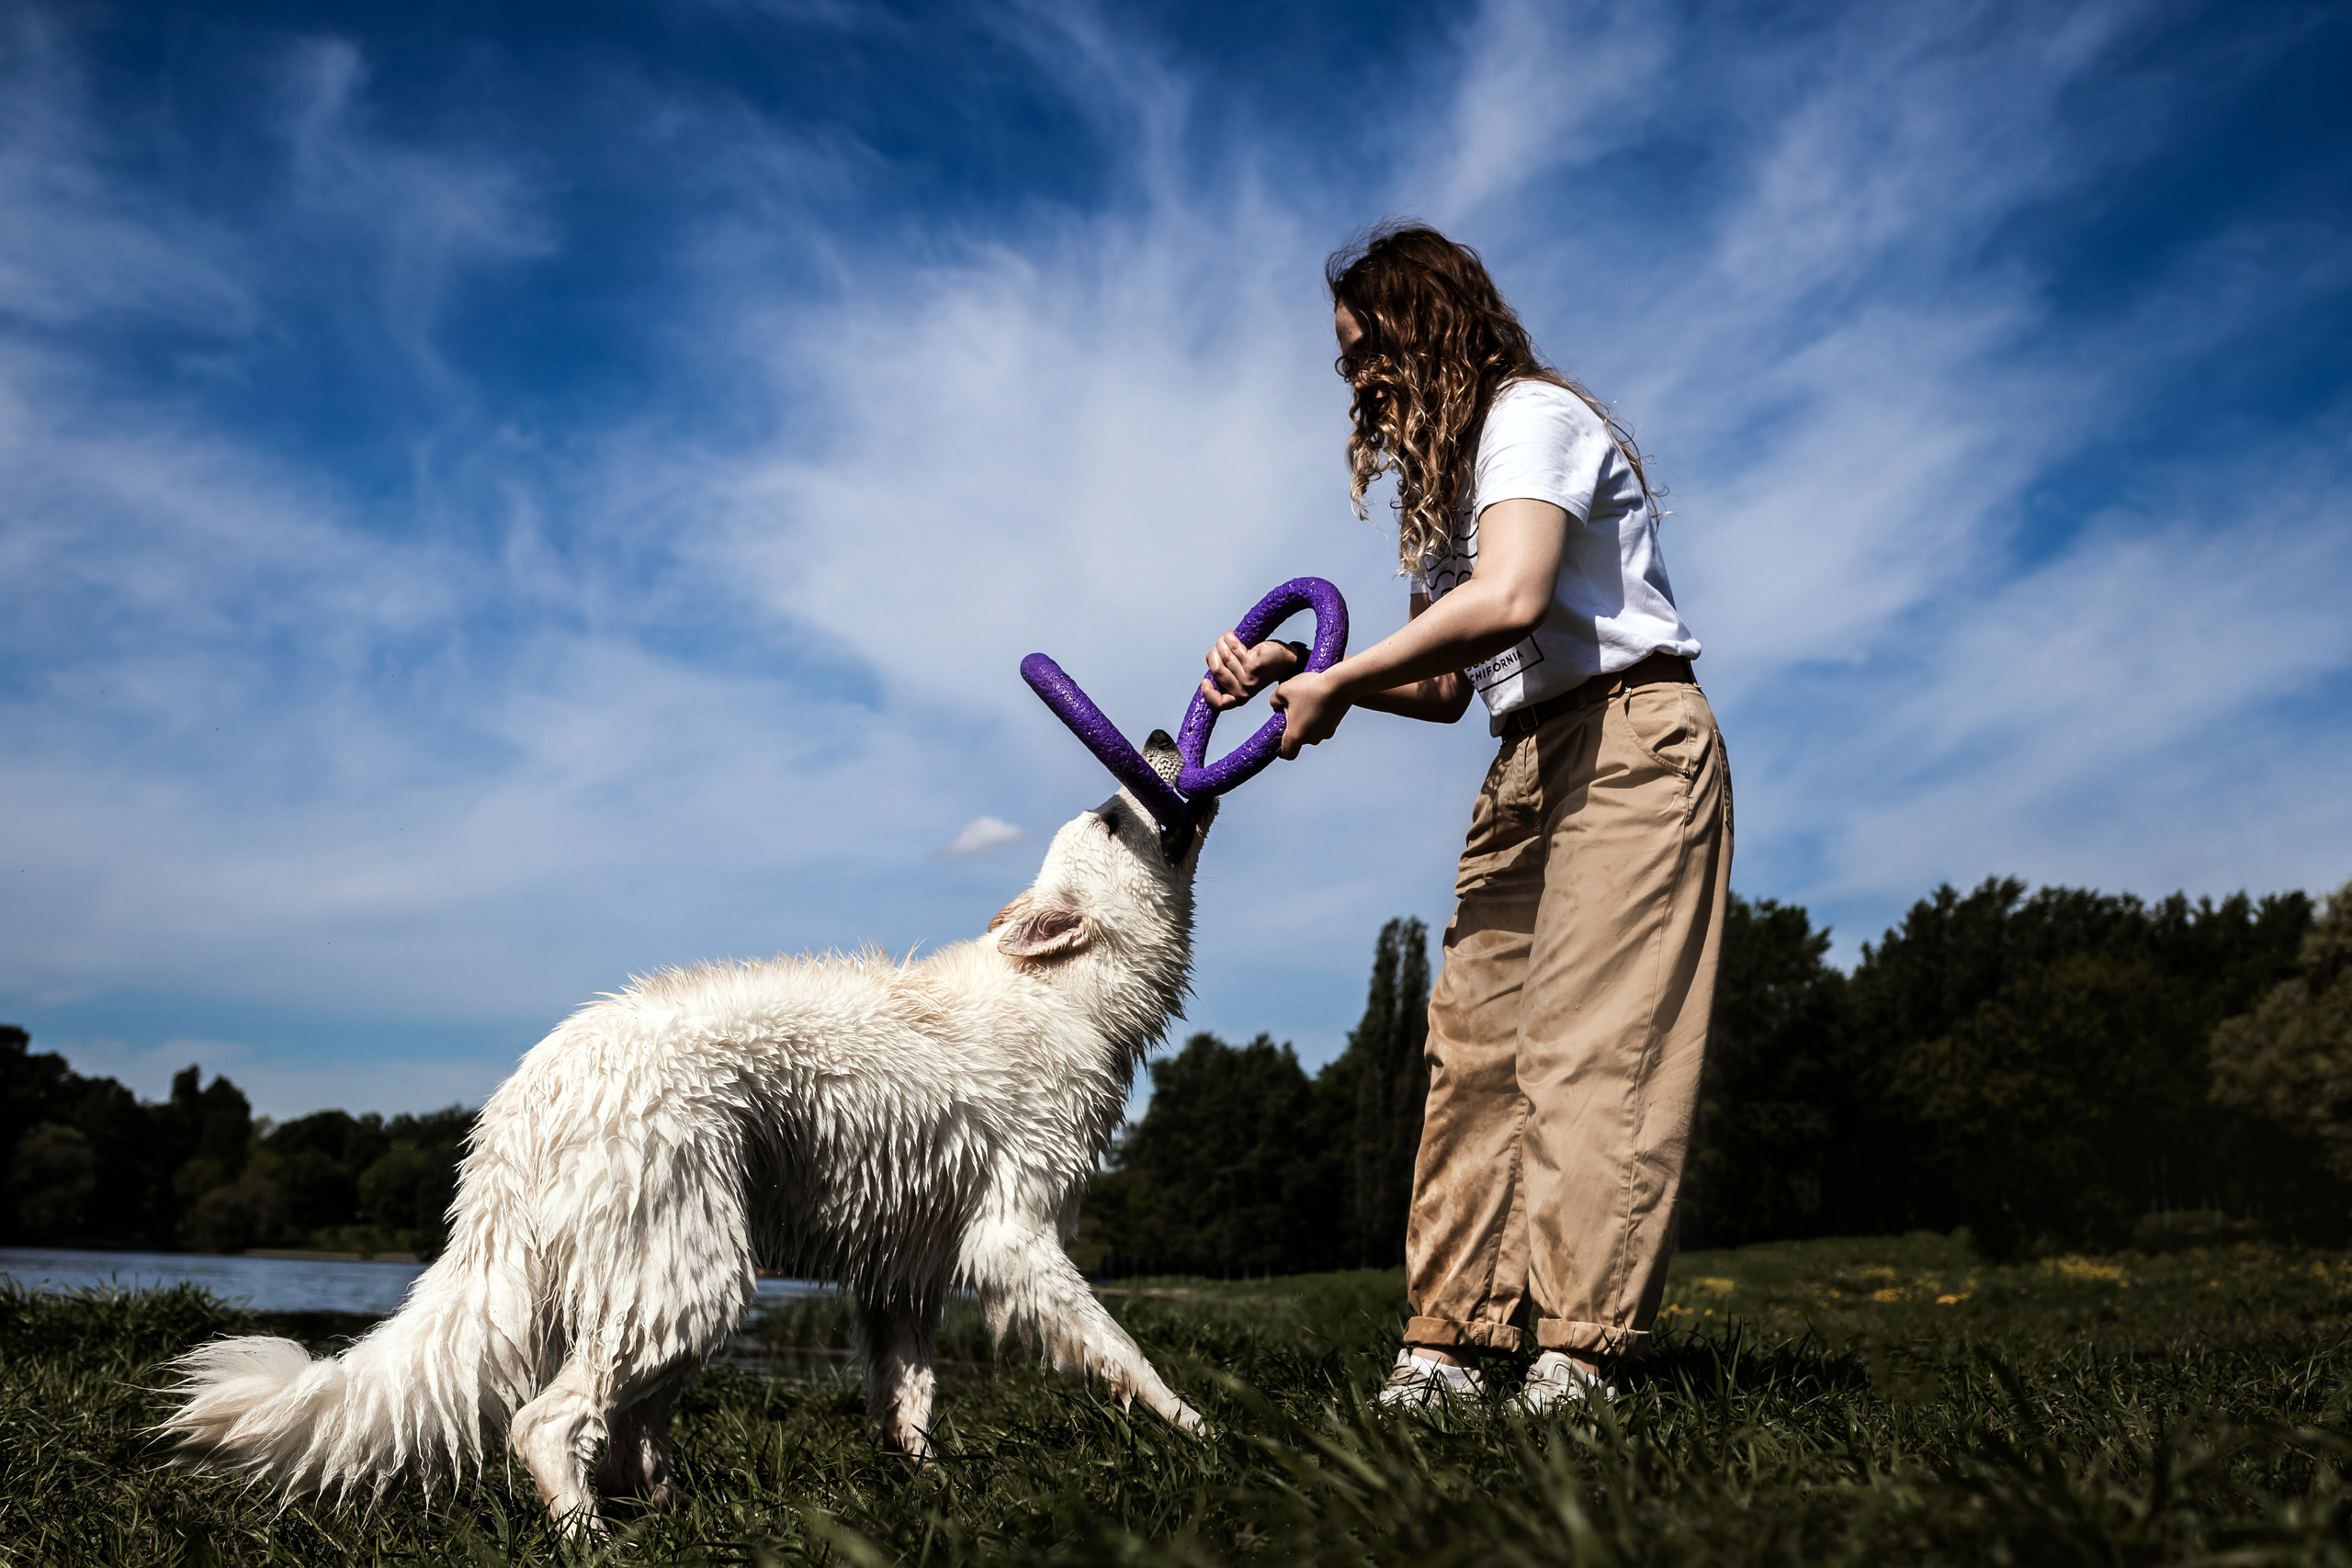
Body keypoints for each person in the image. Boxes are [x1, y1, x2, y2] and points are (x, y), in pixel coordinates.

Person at [1200, 224, 1732, 1411]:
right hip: (1521, 759)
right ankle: (1449, 1348)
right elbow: (1445, 689)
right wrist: (1306, 669)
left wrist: (1339, 682)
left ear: (1421, 323)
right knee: (1473, 1054)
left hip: (1630, 739)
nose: (1352, 385)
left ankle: (1582, 1355)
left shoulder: (1529, 422)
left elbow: (1514, 597)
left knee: (1588, 1048)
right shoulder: (1452, 480)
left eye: (1360, 353)